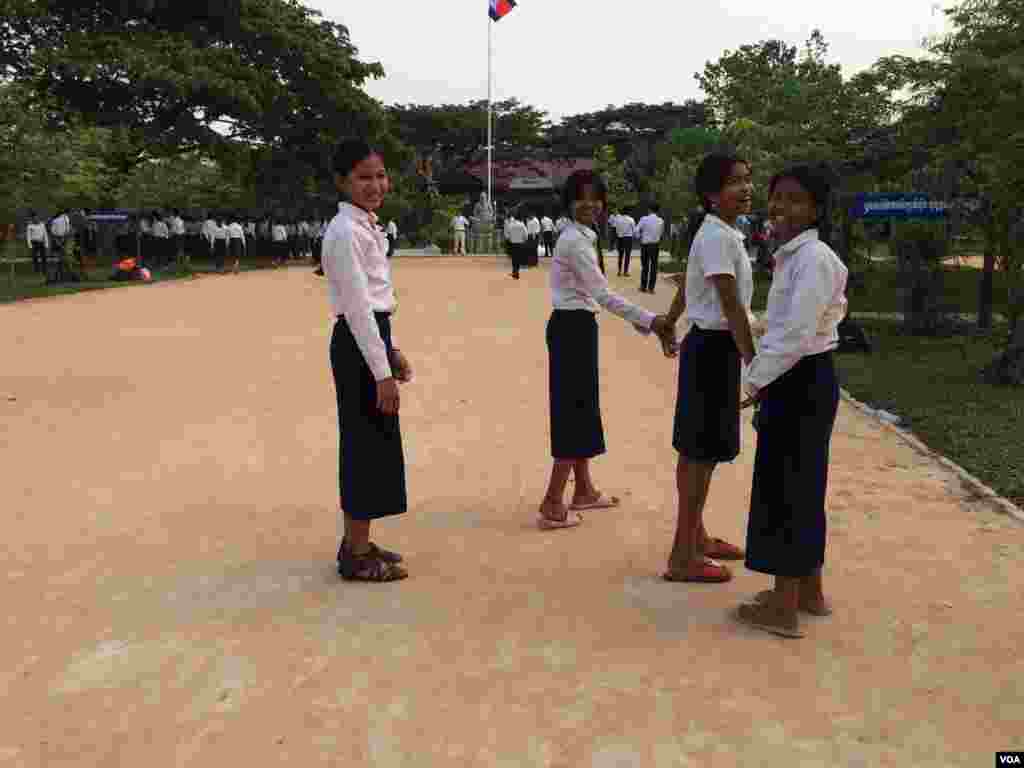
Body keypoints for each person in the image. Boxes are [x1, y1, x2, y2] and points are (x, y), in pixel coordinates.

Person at [734, 165, 848, 639]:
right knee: (803, 485)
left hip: (800, 379)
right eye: (777, 197)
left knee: (786, 489)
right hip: (801, 376)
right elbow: (788, 324)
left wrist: (752, 382)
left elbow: (798, 334)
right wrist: (758, 327)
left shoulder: (813, 258)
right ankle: (809, 591)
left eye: (795, 199)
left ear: (816, 208)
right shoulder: (795, 256)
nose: (781, 206)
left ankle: (782, 605)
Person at [538, 170, 675, 530]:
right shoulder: (575, 240)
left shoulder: (582, 235)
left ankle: (583, 488)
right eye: (582, 197)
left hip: (577, 327)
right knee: (574, 412)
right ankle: (553, 502)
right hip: (572, 329)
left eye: (596, 197)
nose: (590, 204)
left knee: (582, 408)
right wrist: (649, 319)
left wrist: (638, 320)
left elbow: (596, 297)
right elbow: (602, 294)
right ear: (569, 201)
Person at [661, 153, 756, 583]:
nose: (746, 188)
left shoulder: (720, 233)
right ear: (711, 194)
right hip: (715, 350)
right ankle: (683, 556)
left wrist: (669, 317)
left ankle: (695, 537)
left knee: (696, 453)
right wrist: (754, 362)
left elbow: (689, 283)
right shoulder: (719, 236)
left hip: (710, 348)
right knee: (701, 456)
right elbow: (729, 302)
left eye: (748, 180)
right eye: (735, 182)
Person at [323, 138, 414, 582]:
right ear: (342, 182)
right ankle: (356, 554)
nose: (375, 184)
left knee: (372, 443)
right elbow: (357, 310)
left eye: (379, 175)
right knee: (363, 446)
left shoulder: (364, 226)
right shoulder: (344, 233)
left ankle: (357, 541)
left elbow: (374, 304)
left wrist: (390, 350)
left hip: (371, 338)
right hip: (359, 344)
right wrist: (382, 374)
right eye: (363, 177)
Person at [636, 203, 666, 294]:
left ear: (649, 209)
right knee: (654, 266)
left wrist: (639, 237)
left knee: (645, 266)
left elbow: (636, 230)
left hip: (645, 245)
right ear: (658, 210)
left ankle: (643, 286)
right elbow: (661, 233)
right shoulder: (661, 221)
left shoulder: (644, 219)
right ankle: (651, 288)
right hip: (655, 245)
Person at [25, 211, 50, 275]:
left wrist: (46, 244)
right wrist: (30, 245)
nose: (36, 219)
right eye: (34, 218)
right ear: (32, 219)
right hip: (34, 243)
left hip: (41, 242)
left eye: (37, 217)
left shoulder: (42, 225)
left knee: (44, 257)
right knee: (34, 256)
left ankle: (44, 270)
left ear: (38, 218)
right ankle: (37, 270)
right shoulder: (30, 226)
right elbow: (28, 237)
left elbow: (45, 235)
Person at [613, 209, 636, 277]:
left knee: (620, 255)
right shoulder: (631, 219)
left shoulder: (618, 220)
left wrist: (619, 234)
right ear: (628, 213)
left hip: (620, 238)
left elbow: (616, 229)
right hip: (628, 238)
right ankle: (625, 271)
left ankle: (619, 271)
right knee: (627, 255)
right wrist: (634, 236)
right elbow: (634, 229)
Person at [504, 214, 528, 279]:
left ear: (514, 218)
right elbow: (526, 235)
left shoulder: (510, 225)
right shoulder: (522, 225)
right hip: (520, 243)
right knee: (519, 258)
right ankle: (516, 271)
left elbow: (507, 235)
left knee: (514, 258)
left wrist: (510, 239)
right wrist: (524, 240)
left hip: (513, 244)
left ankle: (515, 271)